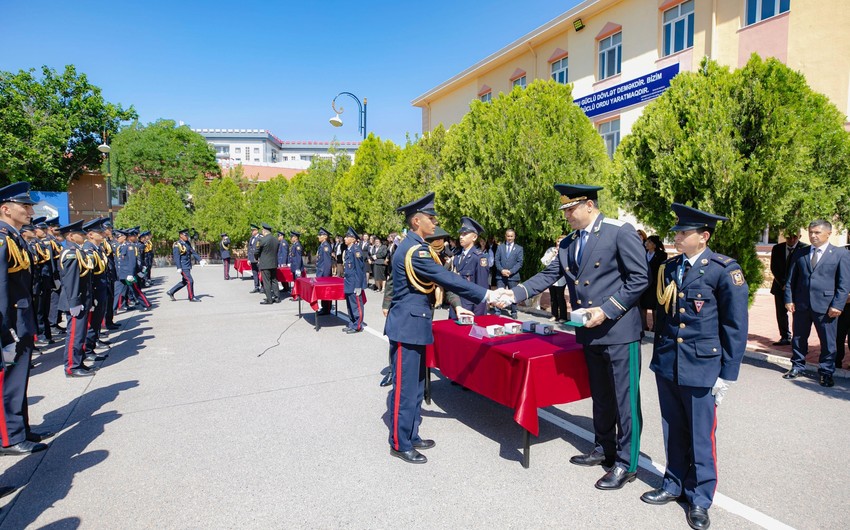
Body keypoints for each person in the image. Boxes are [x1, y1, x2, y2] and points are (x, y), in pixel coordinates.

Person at [498, 184, 648, 489]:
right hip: (588, 331)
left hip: (618, 330)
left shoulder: (619, 231)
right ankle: (603, 447)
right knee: (602, 396)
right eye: (564, 210)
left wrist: (606, 310)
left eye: (570, 209)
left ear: (589, 205)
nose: (566, 215)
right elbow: (547, 276)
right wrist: (511, 294)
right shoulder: (568, 244)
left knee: (625, 400)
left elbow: (639, 278)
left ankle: (626, 463)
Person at [642, 203, 748, 530]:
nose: (677, 236)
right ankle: (673, 482)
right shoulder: (670, 266)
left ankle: (700, 498)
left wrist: (725, 376)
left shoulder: (723, 269)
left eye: (683, 232)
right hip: (669, 363)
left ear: (703, 237)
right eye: (677, 231)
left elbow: (735, 327)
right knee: (672, 427)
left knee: (701, 436)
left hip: (703, 366)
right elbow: (663, 316)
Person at [384, 192, 503, 464]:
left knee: (416, 386)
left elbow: (442, 282)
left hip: (416, 323)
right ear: (417, 221)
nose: (435, 223)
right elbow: (445, 277)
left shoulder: (417, 246)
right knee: (405, 388)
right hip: (406, 326)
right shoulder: (415, 250)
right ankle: (400, 442)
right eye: (431, 218)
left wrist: (458, 302)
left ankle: (411, 434)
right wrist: (486, 295)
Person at [0, 182, 52, 454]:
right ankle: (8, 438)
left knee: (19, 379)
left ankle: (21, 429)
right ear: (6, 209)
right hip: (9, 322)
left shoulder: (14, 236)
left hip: (21, 317)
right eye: (25, 206)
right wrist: (4, 330)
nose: (30, 210)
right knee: (9, 383)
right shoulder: (1, 237)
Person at [783, 220, 850, 387]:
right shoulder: (801, 253)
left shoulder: (840, 254)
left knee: (828, 341)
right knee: (798, 338)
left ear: (828, 233)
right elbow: (791, 279)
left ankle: (826, 372)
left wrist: (838, 305)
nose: (813, 236)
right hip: (802, 304)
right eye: (811, 232)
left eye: (817, 232)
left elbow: (844, 283)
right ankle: (797, 366)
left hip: (827, 307)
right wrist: (789, 299)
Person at [58, 219, 99, 377]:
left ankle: (79, 362)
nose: (83, 236)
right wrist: (74, 303)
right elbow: (71, 280)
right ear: (70, 236)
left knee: (80, 334)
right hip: (75, 301)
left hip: (82, 299)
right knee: (74, 334)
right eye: (80, 233)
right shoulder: (71, 253)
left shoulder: (78, 251)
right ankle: (71, 367)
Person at [447, 217, 490, 319]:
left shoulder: (479, 258)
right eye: (461, 234)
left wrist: (478, 318)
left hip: (469, 311)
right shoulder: (457, 256)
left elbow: (481, 290)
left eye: (465, 234)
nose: (461, 237)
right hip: (456, 307)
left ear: (474, 237)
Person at [769, 232, 806, 346]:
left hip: (797, 288)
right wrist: (783, 283)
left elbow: (804, 269)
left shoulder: (805, 248)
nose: (792, 239)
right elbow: (774, 267)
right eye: (789, 237)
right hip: (780, 286)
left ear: (799, 236)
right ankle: (785, 336)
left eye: (795, 237)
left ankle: (798, 339)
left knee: (798, 314)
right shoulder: (777, 248)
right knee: (781, 313)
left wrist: (791, 285)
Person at [82, 218, 111, 358]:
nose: (103, 233)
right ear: (90, 234)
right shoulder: (88, 250)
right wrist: (91, 296)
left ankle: (93, 344)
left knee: (97, 320)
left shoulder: (97, 248)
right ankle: (87, 350)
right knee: (91, 322)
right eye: (99, 231)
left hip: (102, 288)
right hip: (94, 290)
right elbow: (89, 276)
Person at [640, 235, 668, 331]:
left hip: (655, 284)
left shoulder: (662, 255)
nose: (646, 244)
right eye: (646, 241)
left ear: (655, 245)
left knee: (654, 307)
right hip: (643, 283)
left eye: (649, 242)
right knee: (643, 306)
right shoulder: (643, 253)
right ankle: (644, 325)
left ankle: (655, 327)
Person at [167, 228, 203, 302]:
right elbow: (176, 257)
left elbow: (192, 252)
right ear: (181, 235)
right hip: (183, 267)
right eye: (185, 235)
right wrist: (179, 267)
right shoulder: (177, 244)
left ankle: (171, 291)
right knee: (190, 281)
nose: (187, 236)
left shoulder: (187, 243)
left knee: (184, 281)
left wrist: (200, 260)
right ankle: (191, 297)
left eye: (187, 235)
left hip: (187, 265)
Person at [494, 228, 523, 318]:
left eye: (511, 236)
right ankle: (498, 310)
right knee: (500, 293)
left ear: (514, 237)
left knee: (513, 294)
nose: (509, 238)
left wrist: (510, 272)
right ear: (505, 236)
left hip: (513, 276)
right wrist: (502, 270)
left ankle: (514, 312)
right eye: (508, 236)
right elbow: (496, 260)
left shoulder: (519, 248)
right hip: (501, 275)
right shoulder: (500, 247)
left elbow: (520, 263)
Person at [342, 227, 367, 333]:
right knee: (350, 305)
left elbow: (359, 270)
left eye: (347, 237)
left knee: (356, 305)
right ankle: (352, 323)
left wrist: (358, 286)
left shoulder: (356, 251)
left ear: (353, 239)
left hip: (354, 283)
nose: (345, 238)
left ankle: (357, 325)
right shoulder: (349, 250)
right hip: (348, 282)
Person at [541, 235, 568, 323]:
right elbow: (544, 261)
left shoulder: (566, 250)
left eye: (561, 241)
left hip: (561, 279)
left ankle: (563, 316)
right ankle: (554, 315)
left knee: (560, 297)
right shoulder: (551, 250)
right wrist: (552, 254)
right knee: (552, 297)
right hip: (551, 278)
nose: (559, 243)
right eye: (558, 241)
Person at [255, 223, 280, 305]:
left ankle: (269, 299)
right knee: (274, 280)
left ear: (264, 231)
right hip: (273, 263)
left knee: (266, 282)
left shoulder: (262, 240)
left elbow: (256, 252)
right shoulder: (276, 240)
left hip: (265, 264)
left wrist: (257, 258)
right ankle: (277, 298)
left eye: (262, 230)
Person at [315, 228, 333, 315]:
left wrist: (325, 277)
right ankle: (324, 307)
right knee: (323, 292)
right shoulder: (321, 245)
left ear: (325, 236)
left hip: (324, 274)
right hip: (320, 272)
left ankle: (326, 309)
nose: (318, 237)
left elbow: (327, 263)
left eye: (320, 235)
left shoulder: (325, 246)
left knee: (326, 291)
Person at [247, 224, 261, 293]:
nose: (252, 232)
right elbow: (249, 249)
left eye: (253, 230)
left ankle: (263, 287)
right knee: (254, 273)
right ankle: (256, 286)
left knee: (261, 273)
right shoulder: (251, 238)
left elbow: (260, 249)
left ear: (256, 230)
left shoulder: (260, 237)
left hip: (258, 259)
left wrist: (260, 259)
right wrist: (249, 259)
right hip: (252, 259)